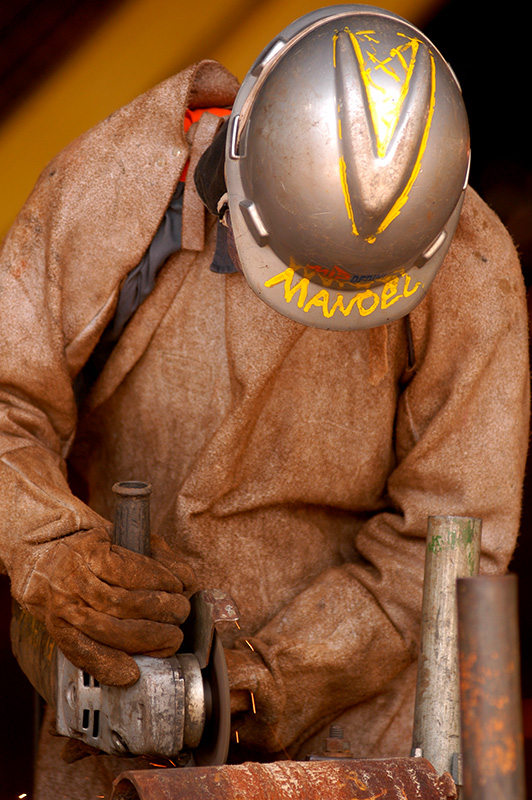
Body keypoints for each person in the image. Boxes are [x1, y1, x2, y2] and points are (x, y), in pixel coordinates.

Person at [0, 5, 528, 798]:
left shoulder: (471, 271)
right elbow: (8, 401)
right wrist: (49, 550)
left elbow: (451, 538)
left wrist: (263, 682)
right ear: (242, 148)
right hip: (114, 702)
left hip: (353, 739)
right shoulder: (112, 188)